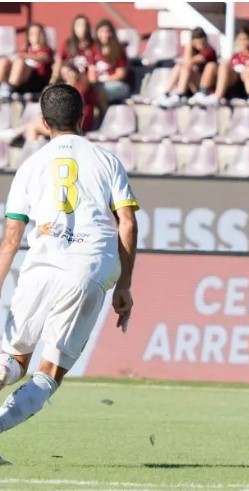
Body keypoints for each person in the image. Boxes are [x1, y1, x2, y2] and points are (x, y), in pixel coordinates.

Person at [0, 84, 138, 464]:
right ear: (83, 116)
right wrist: (124, 284)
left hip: (40, 268)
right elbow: (127, 222)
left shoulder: (29, 167)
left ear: (44, 123)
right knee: (49, 372)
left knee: (12, 360)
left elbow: (10, 240)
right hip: (88, 269)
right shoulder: (106, 161)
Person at [0, 63, 95, 144]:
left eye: (69, 73)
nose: (67, 77)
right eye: (64, 75)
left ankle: (17, 136)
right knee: (33, 125)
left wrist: (71, 82)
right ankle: (17, 134)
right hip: (67, 121)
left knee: (32, 127)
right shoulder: (68, 87)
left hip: (77, 122)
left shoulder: (82, 85)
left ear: (75, 72)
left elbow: (75, 102)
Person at [188, 28, 249, 107]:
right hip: (231, 83)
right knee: (212, 65)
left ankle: (218, 96)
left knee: (225, 66)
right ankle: (203, 93)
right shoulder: (235, 56)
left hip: (244, 84)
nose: (243, 42)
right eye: (240, 39)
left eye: (245, 39)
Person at [155, 27, 218, 108]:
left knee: (186, 67)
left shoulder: (209, 51)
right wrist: (189, 47)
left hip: (205, 86)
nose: (200, 44)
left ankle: (179, 95)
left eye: (202, 41)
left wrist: (188, 47)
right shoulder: (194, 50)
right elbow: (186, 62)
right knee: (179, 66)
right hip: (194, 84)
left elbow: (189, 62)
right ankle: (165, 93)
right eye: (197, 42)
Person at [0, 23, 54, 99]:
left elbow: (44, 58)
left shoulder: (47, 50)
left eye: (38, 33)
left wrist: (24, 56)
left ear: (43, 35)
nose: (35, 36)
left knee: (19, 62)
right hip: (22, 82)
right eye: (32, 34)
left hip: (36, 81)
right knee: (4, 61)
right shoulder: (25, 50)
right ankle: (3, 87)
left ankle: (8, 89)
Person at [87, 19, 129, 117]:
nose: (104, 35)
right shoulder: (94, 50)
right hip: (99, 85)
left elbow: (121, 74)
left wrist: (104, 81)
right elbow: (91, 71)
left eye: (107, 32)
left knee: (99, 92)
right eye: (101, 32)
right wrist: (93, 83)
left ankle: (106, 118)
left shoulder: (119, 49)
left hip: (118, 84)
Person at [51, 14, 95, 84]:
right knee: (66, 70)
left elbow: (92, 68)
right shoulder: (67, 44)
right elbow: (58, 62)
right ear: (74, 28)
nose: (82, 28)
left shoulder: (93, 45)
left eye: (84, 25)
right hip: (68, 77)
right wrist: (53, 80)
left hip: (85, 80)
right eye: (78, 25)